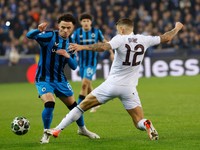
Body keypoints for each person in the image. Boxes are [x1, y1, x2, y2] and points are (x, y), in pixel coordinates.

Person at [46, 19, 183, 140]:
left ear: (122, 29)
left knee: (80, 107)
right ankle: (146, 123)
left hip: (112, 85)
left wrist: (83, 47)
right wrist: (176, 28)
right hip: (129, 88)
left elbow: (104, 47)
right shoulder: (144, 39)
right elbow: (166, 38)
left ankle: (57, 129)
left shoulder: (120, 38)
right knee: (138, 121)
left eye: (118, 29)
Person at [26, 13, 100, 144]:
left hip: (60, 80)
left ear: (72, 28)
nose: (65, 30)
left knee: (75, 107)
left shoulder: (71, 45)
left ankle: (82, 129)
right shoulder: (49, 36)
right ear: (58, 26)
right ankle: (46, 133)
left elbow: (74, 66)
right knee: (50, 103)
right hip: (44, 78)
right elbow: (29, 36)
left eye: (68, 28)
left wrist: (67, 55)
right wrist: (38, 29)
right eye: (63, 27)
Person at [71, 13, 114, 113]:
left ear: (91, 22)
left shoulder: (96, 32)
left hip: (91, 63)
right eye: (84, 21)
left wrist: (111, 52)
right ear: (81, 22)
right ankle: (96, 103)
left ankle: (78, 109)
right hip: (81, 63)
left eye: (87, 21)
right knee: (88, 85)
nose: (86, 23)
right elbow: (71, 44)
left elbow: (105, 42)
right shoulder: (77, 33)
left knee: (84, 84)